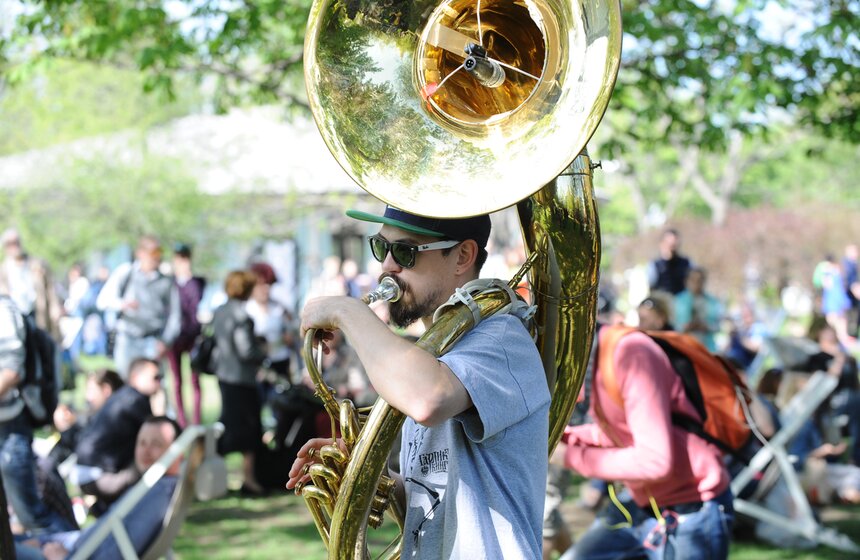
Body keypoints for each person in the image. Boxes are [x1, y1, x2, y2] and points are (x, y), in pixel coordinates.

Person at [287, 205, 549, 558]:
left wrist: (349, 311)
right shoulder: (428, 360)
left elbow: (429, 399)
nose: (387, 267)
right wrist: (366, 477)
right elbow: (434, 499)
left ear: (462, 256)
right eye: (382, 248)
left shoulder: (502, 339)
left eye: (406, 252)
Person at [554, 325, 734, 560]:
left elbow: (654, 461)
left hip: (692, 507)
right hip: (641, 503)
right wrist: (567, 437)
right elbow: (622, 431)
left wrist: (569, 456)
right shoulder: (596, 357)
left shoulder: (631, 352)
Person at [20, 416, 184, 559]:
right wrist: (49, 542)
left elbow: (114, 554)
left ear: (178, 452)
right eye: (142, 442)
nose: (145, 450)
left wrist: (63, 557)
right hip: (76, 543)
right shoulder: (150, 488)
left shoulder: (158, 495)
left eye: (156, 444)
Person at [0, 291, 75, 535]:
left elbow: (12, 372)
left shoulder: (3, 311)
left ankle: (74, 549)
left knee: (31, 514)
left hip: (10, 424)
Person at [74, 358, 162, 514]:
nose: (159, 383)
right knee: (153, 460)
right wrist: (160, 408)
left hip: (85, 472)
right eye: (155, 378)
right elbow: (160, 436)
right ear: (135, 377)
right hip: (100, 477)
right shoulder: (134, 399)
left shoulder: (124, 396)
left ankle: (101, 508)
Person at [213, 270, 268, 496]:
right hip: (242, 380)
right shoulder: (242, 317)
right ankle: (249, 478)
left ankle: (219, 476)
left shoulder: (219, 312)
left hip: (224, 376)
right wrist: (262, 353)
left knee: (228, 424)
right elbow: (246, 350)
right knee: (248, 429)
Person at [96, 235, 181, 378]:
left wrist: (165, 341)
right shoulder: (126, 273)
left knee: (155, 386)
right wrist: (122, 304)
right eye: (152, 253)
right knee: (126, 384)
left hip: (153, 341)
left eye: (158, 253)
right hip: (127, 339)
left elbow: (175, 315)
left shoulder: (166, 281)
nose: (156, 257)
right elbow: (102, 301)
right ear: (140, 253)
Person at [166, 243, 206, 427]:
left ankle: (197, 419)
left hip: (192, 337)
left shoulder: (196, 282)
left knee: (195, 379)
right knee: (177, 381)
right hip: (175, 339)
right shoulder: (169, 283)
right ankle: (182, 420)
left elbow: (196, 304)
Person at [0, 228, 63, 341]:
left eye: (16, 242)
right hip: (16, 314)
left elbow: (50, 287)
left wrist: (55, 306)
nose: (14, 246)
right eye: (10, 243)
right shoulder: (4, 269)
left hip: (37, 311)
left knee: (42, 342)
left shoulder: (36, 263)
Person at [673, 266, 722, 352]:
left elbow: (718, 326)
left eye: (699, 280)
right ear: (687, 281)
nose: (696, 284)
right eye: (693, 280)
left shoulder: (712, 302)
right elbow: (673, 325)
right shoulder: (678, 301)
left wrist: (706, 327)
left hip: (707, 347)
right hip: (684, 346)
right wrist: (686, 327)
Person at [647, 228, 692, 296]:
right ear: (662, 244)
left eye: (674, 245)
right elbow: (651, 287)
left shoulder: (687, 263)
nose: (672, 247)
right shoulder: (654, 266)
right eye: (669, 244)